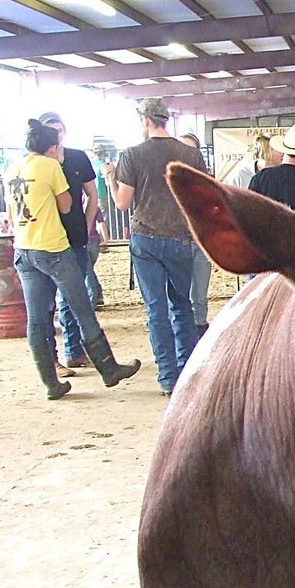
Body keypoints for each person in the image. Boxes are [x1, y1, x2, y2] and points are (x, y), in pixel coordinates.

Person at [5, 119, 139, 400]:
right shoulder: (50, 166)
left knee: (37, 319)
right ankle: (108, 368)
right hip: (52, 246)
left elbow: (10, 212)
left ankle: (50, 383)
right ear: (52, 147)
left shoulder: (12, 168)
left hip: (24, 248)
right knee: (81, 307)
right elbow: (66, 205)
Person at [106, 98, 207, 396]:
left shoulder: (132, 155)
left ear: (146, 120)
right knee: (183, 306)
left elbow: (123, 203)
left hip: (146, 238)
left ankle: (167, 378)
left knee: (156, 309)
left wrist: (110, 178)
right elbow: (201, 199)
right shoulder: (190, 154)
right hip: (180, 237)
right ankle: (188, 371)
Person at [38, 112, 100, 372]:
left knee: (74, 297)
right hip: (45, 239)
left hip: (74, 237)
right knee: (46, 302)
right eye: (51, 132)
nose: (57, 136)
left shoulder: (77, 157)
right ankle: (53, 359)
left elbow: (92, 196)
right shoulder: (36, 164)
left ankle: (74, 350)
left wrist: (86, 228)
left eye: (59, 130)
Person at [178, 132, 213, 336]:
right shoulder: (167, 183)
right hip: (176, 241)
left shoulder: (206, 184)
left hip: (199, 242)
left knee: (199, 295)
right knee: (179, 296)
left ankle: (199, 331)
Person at [86, 205, 108, 308]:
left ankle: (92, 299)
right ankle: (98, 295)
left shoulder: (77, 205)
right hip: (95, 241)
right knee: (89, 269)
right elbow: (101, 223)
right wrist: (105, 239)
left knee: (87, 271)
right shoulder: (95, 206)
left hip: (84, 241)